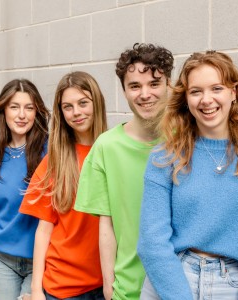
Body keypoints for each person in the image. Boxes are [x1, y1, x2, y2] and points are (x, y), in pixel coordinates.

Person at [138, 51, 238, 300]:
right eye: (196, 91)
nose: (206, 100)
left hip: (235, 285)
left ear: (233, 92)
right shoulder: (165, 157)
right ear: (186, 99)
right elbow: (152, 241)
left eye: (216, 88)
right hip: (170, 280)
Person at [74, 43, 174, 300]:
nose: (145, 94)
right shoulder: (106, 146)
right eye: (134, 86)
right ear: (124, 91)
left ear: (169, 85)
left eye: (154, 83)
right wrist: (109, 284)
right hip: (128, 288)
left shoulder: (186, 141)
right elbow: (106, 223)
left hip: (181, 285)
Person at [20, 71, 108, 300]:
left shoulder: (112, 151)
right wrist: (36, 289)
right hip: (63, 288)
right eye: (67, 106)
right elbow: (44, 229)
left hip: (108, 282)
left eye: (83, 103)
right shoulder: (55, 160)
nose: (76, 112)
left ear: (96, 103)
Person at [0, 79, 50, 299]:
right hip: (2, 261)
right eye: (14, 107)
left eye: (29, 108)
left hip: (41, 259)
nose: (22, 115)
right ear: (3, 111)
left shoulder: (51, 153)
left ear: (37, 113)